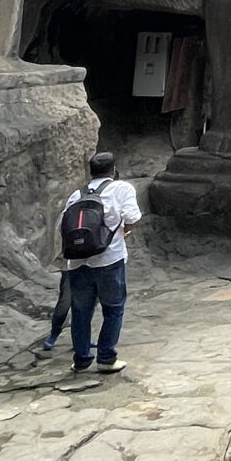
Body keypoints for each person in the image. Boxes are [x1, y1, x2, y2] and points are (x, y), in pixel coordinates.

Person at [55, 149, 141, 376]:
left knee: (81, 311)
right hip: (109, 259)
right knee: (113, 309)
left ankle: (81, 360)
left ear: (90, 172)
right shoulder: (121, 188)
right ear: (113, 171)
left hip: (77, 263)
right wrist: (124, 230)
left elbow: (61, 226)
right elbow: (132, 216)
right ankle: (106, 358)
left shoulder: (76, 195)